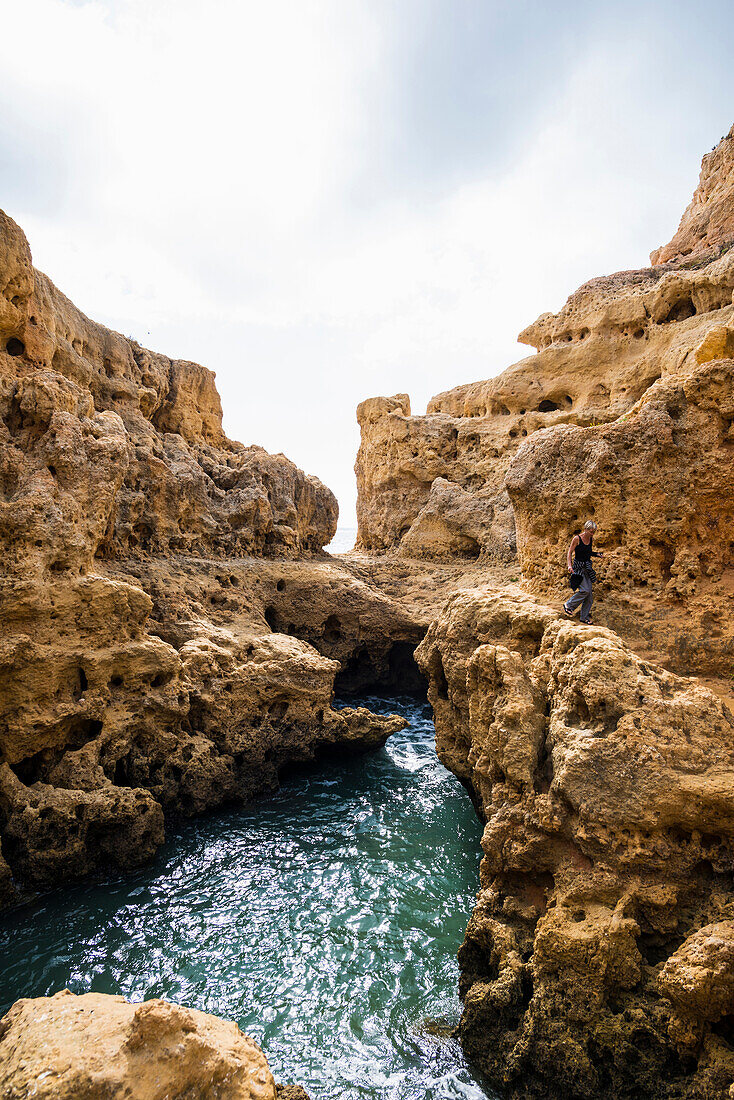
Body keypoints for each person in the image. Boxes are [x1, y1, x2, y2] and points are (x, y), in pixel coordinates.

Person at [563, 520, 603, 624]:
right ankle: (569, 605)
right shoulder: (577, 539)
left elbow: (588, 552)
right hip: (578, 568)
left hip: (587, 567)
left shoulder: (590, 538)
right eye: (590, 531)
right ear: (585, 529)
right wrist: (569, 565)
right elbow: (570, 552)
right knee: (585, 590)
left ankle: (584, 617)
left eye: (594, 531)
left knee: (589, 595)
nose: (592, 533)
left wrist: (597, 554)